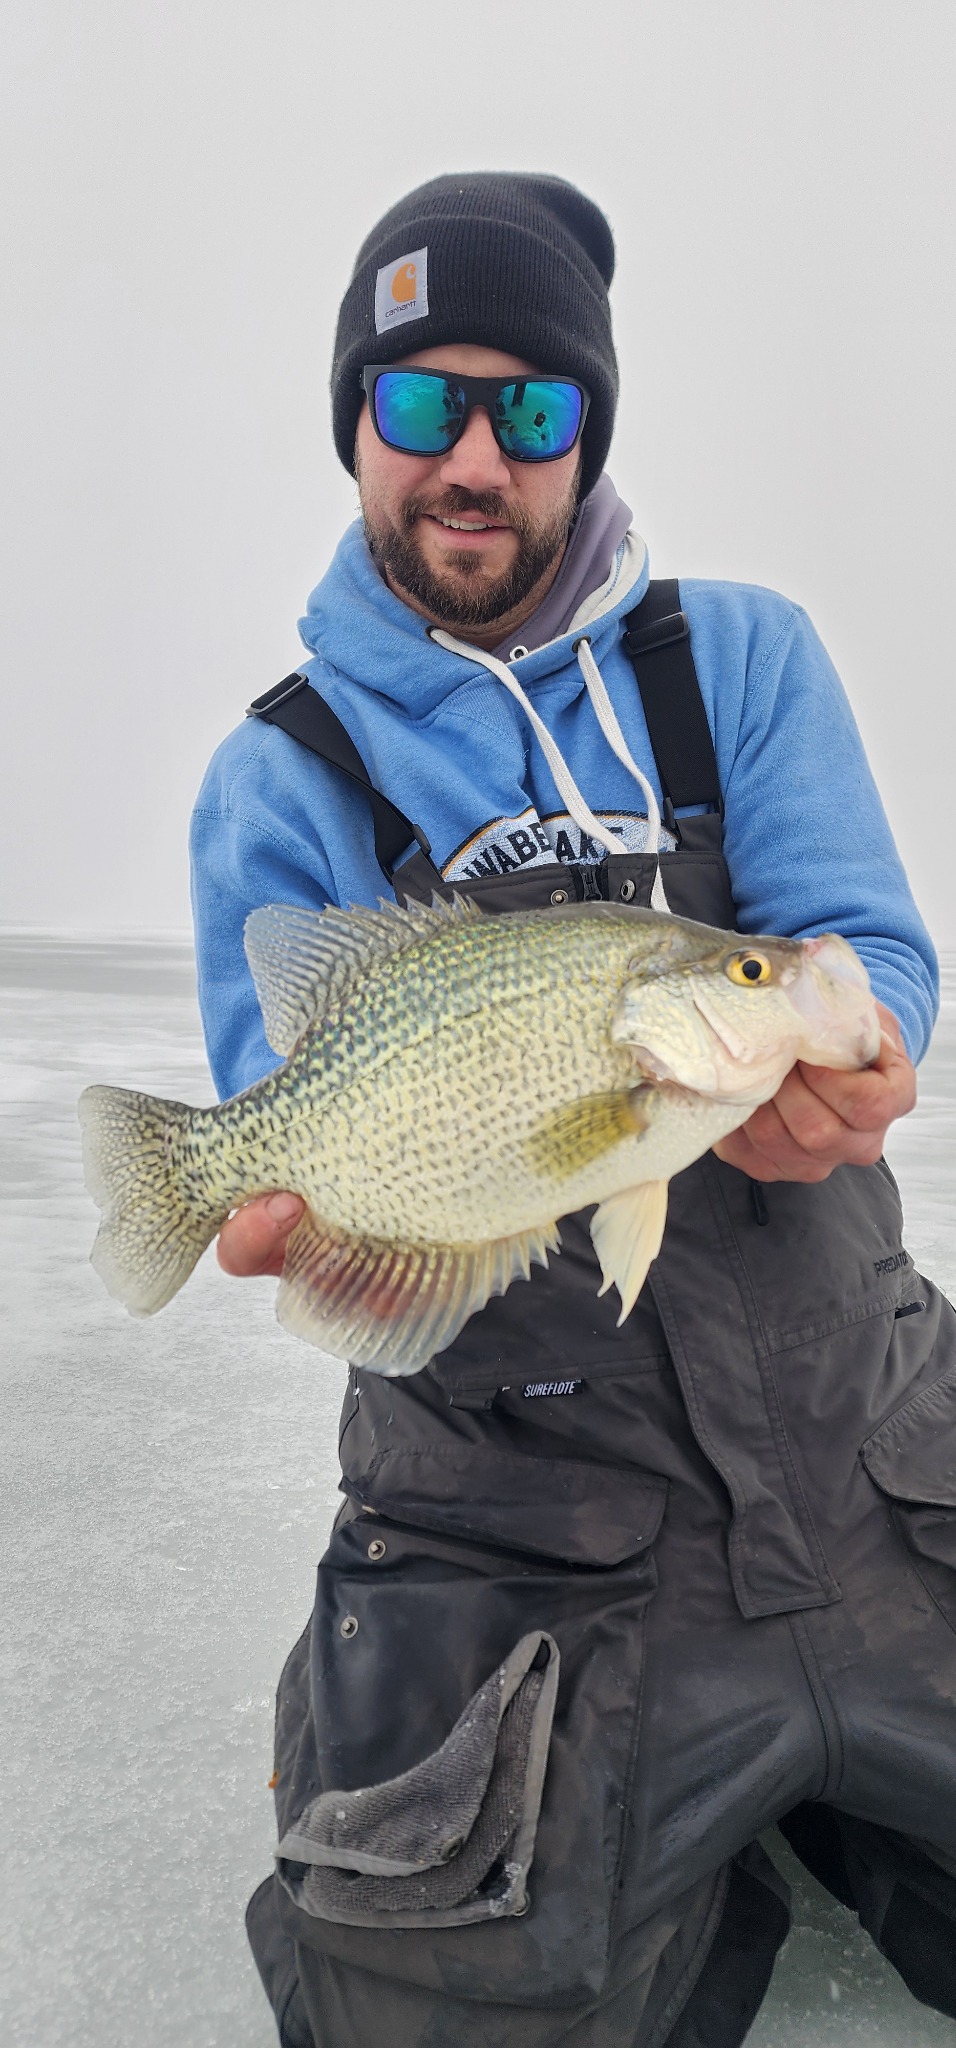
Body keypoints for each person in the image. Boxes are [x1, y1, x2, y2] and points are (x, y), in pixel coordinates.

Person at [190, 175, 956, 2048]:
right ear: (354, 427)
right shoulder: (280, 772)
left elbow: (867, 959)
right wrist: (326, 1237)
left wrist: (860, 1062)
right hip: (511, 1527)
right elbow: (281, 1119)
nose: (473, 456)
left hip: (866, 1457)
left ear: (584, 434)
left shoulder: (742, 658)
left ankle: (796, 1806)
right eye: (419, 402)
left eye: (528, 409)